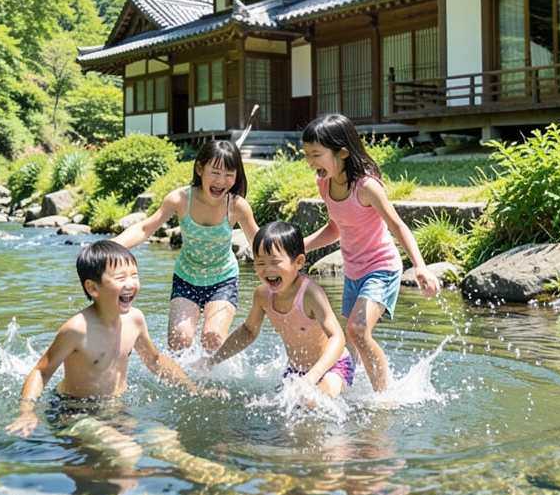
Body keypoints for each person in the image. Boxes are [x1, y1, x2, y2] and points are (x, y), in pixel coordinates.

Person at [6, 240, 225, 440]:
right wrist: (26, 413)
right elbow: (41, 371)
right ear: (92, 288)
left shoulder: (135, 320)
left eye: (134, 275)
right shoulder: (77, 329)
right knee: (124, 452)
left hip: (118, 408)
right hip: (74, 410)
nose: (130, 284)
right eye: (121, 278)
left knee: (167, 439)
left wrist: (193, 388)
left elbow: (155, 361)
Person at [300, 114, 438, 393]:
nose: (310, 162)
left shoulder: (367, 187)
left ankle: (383, 397)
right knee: (356, 337)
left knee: (357, 331)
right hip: (353, 270)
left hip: (382, 267)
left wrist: (420, 266)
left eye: (316, 154)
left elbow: (397, 226)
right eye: (306, 155)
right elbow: (335, 228)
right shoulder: (324, 183)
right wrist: (298, 247)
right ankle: (365, 389)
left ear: (342, 152)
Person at [113, 139, 259, 354]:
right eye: (215, 172)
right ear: (200, 168)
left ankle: (213, 382)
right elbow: (145, 228)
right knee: (179, 340)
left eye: (229, 175)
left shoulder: (237, 206)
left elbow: (259, 243)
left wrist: (288, 260)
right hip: (186, 277)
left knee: (213, 337)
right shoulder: (180, 199)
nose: (221, 181)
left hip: (223, 280)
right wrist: (111, 246)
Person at [208, 222, 352, 398]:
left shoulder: (310, 295)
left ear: (298, 262)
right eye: (260, 263)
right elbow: (248, 331)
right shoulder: (262, 295)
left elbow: (337, 336)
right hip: (296, 371)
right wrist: (213, 360)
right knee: (275, 409)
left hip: (333, 366)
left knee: (313, 402)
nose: (268, 270)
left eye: (275, 262)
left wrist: (312, 376)